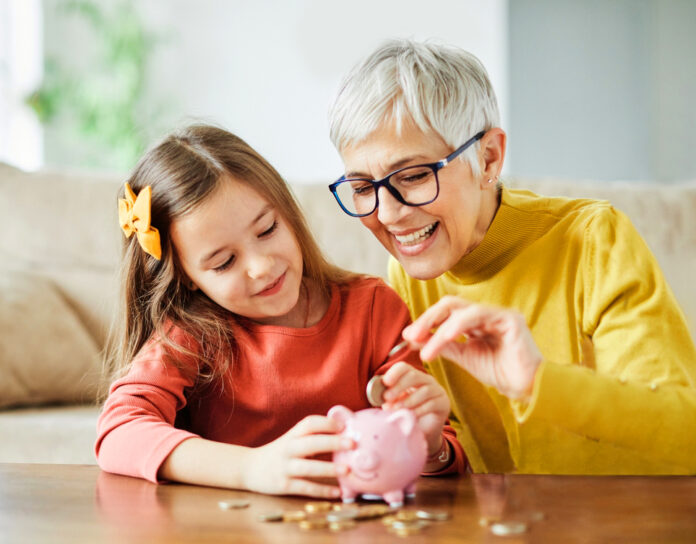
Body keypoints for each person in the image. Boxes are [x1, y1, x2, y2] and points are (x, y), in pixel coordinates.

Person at [327, 39, 696, 474]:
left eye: (413, 176)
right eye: (364, 188)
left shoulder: (594, 240)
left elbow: (685, 435)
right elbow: (456, 452)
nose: (387, 215)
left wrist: (536, 381)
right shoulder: (408, 273)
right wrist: (432, 448)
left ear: (488, 158)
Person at [95, 124, 467, 498]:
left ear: (287, 213)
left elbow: (436, 459)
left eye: (268, 229)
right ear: (188, 277)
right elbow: (118, 432)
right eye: (224, 262)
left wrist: (430, 441)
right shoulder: (190, 334)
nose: (261, 266)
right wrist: (251, 469)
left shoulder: (373, 310)